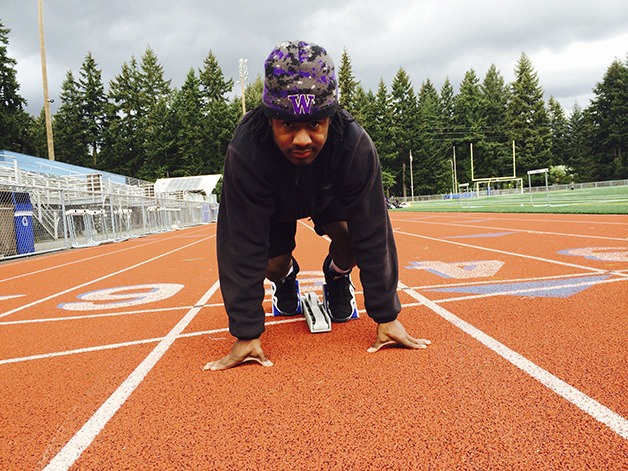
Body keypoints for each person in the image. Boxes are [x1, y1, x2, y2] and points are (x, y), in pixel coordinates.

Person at [204, 40, 430, 371]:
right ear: (270, 119)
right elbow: (241, 243)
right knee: (274, 265)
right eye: (288, 126)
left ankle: (336, 277)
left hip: (328, 193)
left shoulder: (353, 144)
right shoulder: (247, 151)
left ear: (329, 117)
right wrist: (246, 334)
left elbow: (373, 229)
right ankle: (287, 275)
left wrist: (387, 316)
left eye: (314, 125)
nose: (301, 140)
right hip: (273, 202)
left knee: (353, 238)